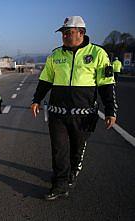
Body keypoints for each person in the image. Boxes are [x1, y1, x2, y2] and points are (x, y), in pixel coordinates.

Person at [31, 16, 117, 200]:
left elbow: (106, 84)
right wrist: (36, 100)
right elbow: (45, 80)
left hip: (84, 116)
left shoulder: (97, 54)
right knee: (59, 148)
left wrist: (110, 110)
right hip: (57, 114)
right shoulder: (55, 55)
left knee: (76, 149)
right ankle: (60, 183)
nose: (64, 36)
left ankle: (71, 173)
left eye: (68, 33)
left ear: (81, 33)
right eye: (62, 33)